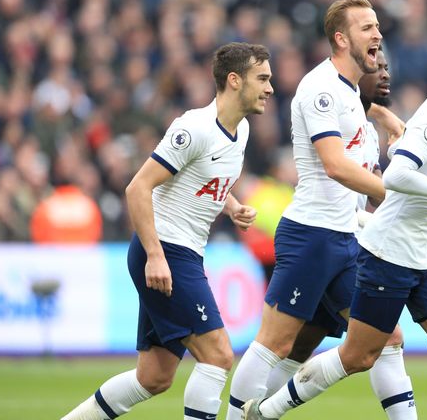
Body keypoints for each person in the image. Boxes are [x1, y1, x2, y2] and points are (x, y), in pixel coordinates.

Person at [243, 42, 427, 420]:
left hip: (425, 253)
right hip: (387, 255)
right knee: (356, 354)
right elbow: (397, 174)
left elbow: (407, 172)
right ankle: (266, 411)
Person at [226, 0, 417, 420]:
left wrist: (383, 117)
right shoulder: (320, 88)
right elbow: (334, 166)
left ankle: (266, 412)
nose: (378, 34)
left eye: (377, 26)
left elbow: (360, 151)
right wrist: (405, 199)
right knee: (274, 344)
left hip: (347, 238)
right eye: (367, 28)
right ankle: (241, 416)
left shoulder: (351, 96)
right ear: (341, 38)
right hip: (311, 237)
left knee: (384, 340)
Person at [60, 42, 273, 420]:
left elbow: (202, 177)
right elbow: (137, 188)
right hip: (166, 251)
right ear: (235, 80)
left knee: (154, 376)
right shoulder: (194, 127)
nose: (270, 88)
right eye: (263, 78)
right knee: (219, 354)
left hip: (180, 252)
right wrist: (156, 256)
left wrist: (232, 205)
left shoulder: (239, 132)